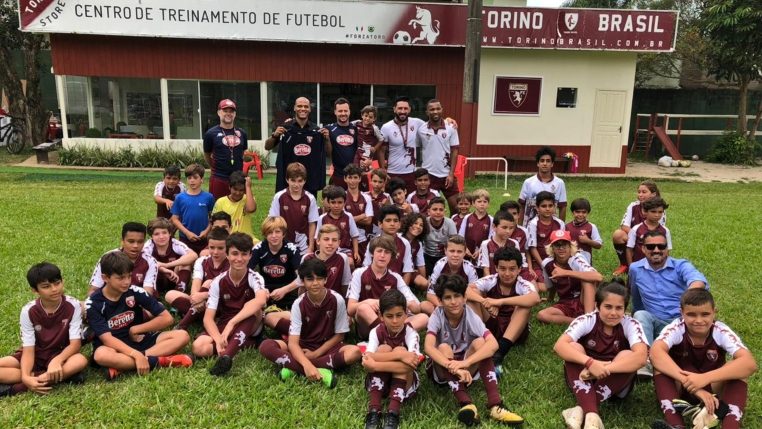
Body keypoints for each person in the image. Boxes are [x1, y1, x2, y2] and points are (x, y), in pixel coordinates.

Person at [424, 274, 525, 426]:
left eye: (457, 296)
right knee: (443, 347)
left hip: (465, 367)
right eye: (447, 297)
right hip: (442, 370)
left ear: (465, 297)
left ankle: (495, 405)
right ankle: (465, 403)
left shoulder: (470, 315)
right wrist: (452, 366)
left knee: (480, 343)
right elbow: (428, 347)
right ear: (440, 301)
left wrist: (465, 363)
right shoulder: (437, 316)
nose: (453, 302)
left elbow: (493, 344)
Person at [650, 289, 756, 429]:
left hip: (712, 390)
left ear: (714, 312)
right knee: (660, 366)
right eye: (691, 314)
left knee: (739, 371)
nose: (699, 320)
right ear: (682, 313)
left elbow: (750, 364)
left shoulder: (720, 331)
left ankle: (730, 426)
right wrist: (694, 387)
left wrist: (705, 378)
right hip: (680, 389)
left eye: (705, 314)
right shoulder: (676, 328)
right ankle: (676, 425)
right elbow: (655, 353)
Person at [553, 281, 648, 429]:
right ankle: (592, 416)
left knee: (628, 354)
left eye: (619, 308)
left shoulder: (631, 324)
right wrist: (591, 363)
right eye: (608, 307)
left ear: (625, 309)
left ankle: (580, 408)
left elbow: (641, 357)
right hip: (584, 378)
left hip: (615, 383)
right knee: (572, 347)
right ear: (598, 306)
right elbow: (559, 346)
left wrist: (605, 367)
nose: (613, 313)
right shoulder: (587, 319)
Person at [86, 252, 193, 381]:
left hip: (139, 339)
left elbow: (167, 318)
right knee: (100, 356)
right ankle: (162, 361)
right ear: (105, 278)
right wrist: (135, 354)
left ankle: (124, 365)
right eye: (120, 278)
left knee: (182, 335)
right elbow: (107, 339)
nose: (126, 282)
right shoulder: (93, 303)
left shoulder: (135, 291)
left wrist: (136, 329)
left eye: (129, 276)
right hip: (113, 347)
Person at [259, 258, 362, 388]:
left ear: (325, 279)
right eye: (310, 279)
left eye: (319, 278)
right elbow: (293, 343)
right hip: (304, 344)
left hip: (327, 346)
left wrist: (315, 354)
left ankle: (292, 368)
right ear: (303, 281)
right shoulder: (299, 303)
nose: (315, 283)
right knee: (266, 346)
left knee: (355, 352)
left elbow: (340, 336)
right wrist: (307, 365)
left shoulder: (337, 299)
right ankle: (317, 370)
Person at [0, 263, 87, 397]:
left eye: (57, 283)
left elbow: (75, 344)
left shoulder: (73, 305)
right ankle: (59, 377)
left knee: (80, 360)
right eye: (46, 286)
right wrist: (25, 377)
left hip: (60, 353)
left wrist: (57, 360)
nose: (54, 289)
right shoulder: (28, 311)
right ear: (35, 290)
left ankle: (16, 389)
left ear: (62, 281)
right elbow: (28, 350)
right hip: (35, 354)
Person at [629, 230, 708, 376]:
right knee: (640, 314)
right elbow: (636, 296)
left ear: (667, 248)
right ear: (643, 249)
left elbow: (698, 281)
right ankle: (646, 361)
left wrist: (687, 300)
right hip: (656, 322)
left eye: (661, 246)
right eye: (651, 247)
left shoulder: (681, 265)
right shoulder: (635, 269)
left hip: (682, 322)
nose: (656, 250)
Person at [191, 232, 268, 376]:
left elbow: (261, 300)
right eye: (234, 253)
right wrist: (218, 339)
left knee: (253, 308)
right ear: (227, 255)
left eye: (244, 254)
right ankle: (246, 343)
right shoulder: (218, 282)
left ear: (250, 255)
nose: (239, 259)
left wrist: (231, 324)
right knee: (198, 347)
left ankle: (227, 356)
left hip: (250, 322)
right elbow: (208, 318)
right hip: (225, 324)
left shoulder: (255, 277)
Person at [466, 247, 540, 368]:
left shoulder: (522, 284)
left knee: (524, 306)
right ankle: (480, 339)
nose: (507, 273)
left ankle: (499, 353)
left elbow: (535, 298)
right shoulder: (491, 280)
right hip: (493, 325)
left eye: (512, 269)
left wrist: (499, 302)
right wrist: (485, 302)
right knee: (472, 298)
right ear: (496, 268)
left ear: (519, 269)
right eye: (502, 268)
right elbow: (465, 290)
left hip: (515, 331)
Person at [361, 289, 422, 429]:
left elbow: (411, 365)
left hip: (405, 385)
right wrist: (399, 356)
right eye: (389, 316)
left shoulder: (411, 333)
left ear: (406, 313)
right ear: (381, 316)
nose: (395, 321)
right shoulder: (376, 331)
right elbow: (367, 357)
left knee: (400, 349)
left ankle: (393, 412)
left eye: (399, 315)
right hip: (380, 384)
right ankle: (374, 410)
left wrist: (375, 366)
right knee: (385, 348)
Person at [348, 235, 428, 339]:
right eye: (379, 251)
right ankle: (394, 337)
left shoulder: (395, 277)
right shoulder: (359, 273)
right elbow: (350, 309)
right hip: (369, 324)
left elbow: (416, 308)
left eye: (387, 252)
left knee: (424, 317)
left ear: (392, 256)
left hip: (391, 321)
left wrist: (403, 303)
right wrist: (368, 301)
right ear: (372, 253)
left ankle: (389, 337)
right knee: (363, 308)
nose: (382, 255)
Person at [266, 96, 330, 197]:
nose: (303, 109)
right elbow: (267, 146)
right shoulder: (285, 128)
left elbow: (329, 153)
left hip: (310, 180)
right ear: (295, 108)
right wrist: (275, 135)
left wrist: (327, 139)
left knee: (308, 209)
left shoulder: (316, 130)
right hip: (289, 180)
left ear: (309, 109)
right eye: (300, 106)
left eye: (306, 106)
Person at [250, 216, 301, 338]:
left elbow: (302, 278)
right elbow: (247, 273)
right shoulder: (258, 249)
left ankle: (289, 329)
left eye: (277, 231)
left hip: (288, 291)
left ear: (283, 233)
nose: (274, 236)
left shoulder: (292, 249)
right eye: (269, 232)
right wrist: (260, 289)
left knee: (295, 311)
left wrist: (285, 290)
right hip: (266, 292)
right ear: (264, 234)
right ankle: (259, 332)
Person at [537, 230, 602, 325]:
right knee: (542, 315)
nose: (561, 248)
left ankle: (589, 317)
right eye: (557, 245)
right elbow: (551, 285)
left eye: (565, 245)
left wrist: (566, 272)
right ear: (552, 248)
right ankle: (581, 322)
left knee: (587, 280)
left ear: (570, 246)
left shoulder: (576, 258)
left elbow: (598, 277)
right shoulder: (547, 263)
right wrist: (550, 298)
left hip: (584, 299)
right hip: (566, 302)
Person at [174, 227, 230, 331]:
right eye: (212, 247)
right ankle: (207, 318)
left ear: (227, 247)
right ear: (207, 246)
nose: (215, 252)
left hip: (223, 301)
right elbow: (195, 289)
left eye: (220, 248)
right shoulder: (202, 261)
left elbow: (227, 292)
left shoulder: (231, 264)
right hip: (203, 300)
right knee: (170, 295)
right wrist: (197, 298)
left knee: (209, 283)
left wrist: (203, 295)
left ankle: (183, 324)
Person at [88, 222, 158, 297]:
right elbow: (93, 290)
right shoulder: (108, 258)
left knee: (158, 306)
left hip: (137, 302)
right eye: (131, 241)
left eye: (140, 242)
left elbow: (148, 293)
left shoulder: (150, 261)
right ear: (122, 241)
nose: (135, 246)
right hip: (110, 301)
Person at [612, 180, 665, 275]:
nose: (640, 194)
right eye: (639, 192)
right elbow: (624, 226)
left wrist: (645, 238)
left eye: (644, 192)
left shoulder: (659, 209)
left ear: (653, 194)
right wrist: (637, 234)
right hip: (633, 237)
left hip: (651, 239)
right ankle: (624, 265)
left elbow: (660, 230)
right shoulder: (633, 206)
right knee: (618, 234)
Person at [268, 162, 320, 255]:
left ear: (304, 181)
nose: (296, 184)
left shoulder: (310, 198)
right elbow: (272, 221)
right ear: (287, 180)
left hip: (303, 245)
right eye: (293, 180)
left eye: (300, 181)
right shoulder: (279, 197)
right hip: (283, 244)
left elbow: (312, 224)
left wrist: (311, 246)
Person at [418, 99, 460, 213]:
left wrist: (451, 174)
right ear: (427, 112)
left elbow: (455, 150)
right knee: (428, 209)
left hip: (447, 175)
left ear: (442, 110)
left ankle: (453, 230)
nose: (435, 111)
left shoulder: (451, 127)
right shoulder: (421, 129)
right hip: (429, 175)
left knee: (456, 207)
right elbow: (416, 147)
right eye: (432, 109)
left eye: (437, 109)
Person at [203, 99, 248, 200]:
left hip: (238, 179)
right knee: (218, 209)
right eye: (225, 111)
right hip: (219, 178)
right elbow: (207, 154)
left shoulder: (242, 133)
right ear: (219, 113)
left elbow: (243, 152)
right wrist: (214, 167)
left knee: (239, 209)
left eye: (231, 111)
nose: (228, 114)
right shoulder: (211, 134)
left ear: (235, 114)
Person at [143, 217, 198, 298]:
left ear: (170, 233)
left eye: (164, 233)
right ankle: (154, 294)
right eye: (156, 234)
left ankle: (179, 291)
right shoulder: (148, 246)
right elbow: (143, 261)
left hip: (174, 279)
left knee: (186, 262)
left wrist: (168, 265)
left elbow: (193, 255)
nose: (161, 237)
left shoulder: (175, 244)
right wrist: (164, 269)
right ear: (151, 236)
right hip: (155, 280)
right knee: (146, 266)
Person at [380, 97, 426, 193]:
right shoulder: (386, 127)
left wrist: (448, 120)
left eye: (405, 108)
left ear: (409, 109)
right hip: (393, 172)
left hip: (411, 173)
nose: (402, 111)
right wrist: (383, 170)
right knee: (393, 203)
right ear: (394, 109)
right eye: (400, 108)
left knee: (409, 201)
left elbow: (432, 125)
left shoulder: (417, 123)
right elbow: (381, 150)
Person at [424, 235, 479, 315]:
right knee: (425, 305)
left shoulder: (469, 267)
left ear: (464, 253)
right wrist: (444, 306)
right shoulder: (440, 265)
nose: (455, 255)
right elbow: (430, 294)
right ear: (445, 251)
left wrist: (458, 306)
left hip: (462, 303)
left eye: (459, 251)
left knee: (473, 306)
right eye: (452, 251)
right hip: (443, 302)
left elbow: (475, 292)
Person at [361, 205, 415, 285]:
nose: (392, 224)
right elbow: (366, 268)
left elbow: (407, 271)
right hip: (376, 283)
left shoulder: (405, 243)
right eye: (388, 220)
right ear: (380, 224)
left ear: (399, 224)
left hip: (396, 285)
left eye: (395, 221)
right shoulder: (373, 242)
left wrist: (402, 292)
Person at [170, 163, 216, 255]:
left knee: (203, 261)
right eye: (189, 178)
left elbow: (213, 218)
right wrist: (187, 233)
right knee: (186, 263)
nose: (192, 181)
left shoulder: (209, 197)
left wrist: (206, 231)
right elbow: (175, 219)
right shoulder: (179, 197)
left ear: (202, 179)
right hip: (185, 238)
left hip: (204, 237)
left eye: (195, 178)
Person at [518, 146, 567, 226]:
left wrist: (561, 227)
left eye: (548, 161)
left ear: (552, 164)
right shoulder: (528, 182)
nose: (545, 164)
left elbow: (562, 207)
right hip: (530, 225)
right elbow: (521, 206)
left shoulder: (559, 183)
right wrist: (520, 227)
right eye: (542, 161)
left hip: (551, 227)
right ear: (538, 163)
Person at [300, 224, 353, 297]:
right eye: (326, 239)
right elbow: (302, 286)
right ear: (318, 241)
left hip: (334, 304)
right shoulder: (306, 258)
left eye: (334, 240)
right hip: (311, 304)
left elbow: (345, 285)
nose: (330, 243)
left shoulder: (343, 258)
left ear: (339, 243)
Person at [315, 185, 361, 266]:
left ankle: (348, 278)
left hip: (345, 250)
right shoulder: (322, 218)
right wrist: (320, 253)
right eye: (333, 202)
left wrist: (356, 252)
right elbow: (317, 238)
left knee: (350, 263)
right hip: (327, 249)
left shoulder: (348, 216)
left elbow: (355, 236)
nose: (336, 205)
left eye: (340, 202)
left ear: (345, 202)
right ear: (328, 202)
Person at [526, 191, 565, 284]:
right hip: (538, 262)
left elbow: (563, 245)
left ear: (555, 207)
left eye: (550, 206)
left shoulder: (560, 223)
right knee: (545, 285)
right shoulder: (533, 224)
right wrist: (544, 265)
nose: (547, 209)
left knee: (563, 280)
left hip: (556, 260)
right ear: (537, 208)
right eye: (544, 206)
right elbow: (532, 248)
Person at [626, 197, 672, 267]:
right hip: (639, 267)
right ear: (645, 212)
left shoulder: (665, 231)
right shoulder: (636, 229)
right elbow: (629, 249)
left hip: (658, 267)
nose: (657, 215)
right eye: (653, 211)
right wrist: (631, 268)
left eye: (660, 212)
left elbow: (667, 251)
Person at [476, 211, 524, 277]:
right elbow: (486, 269)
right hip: (492, 282)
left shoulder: (515, 243)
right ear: (494, 227)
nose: (508, 231)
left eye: (511, 228)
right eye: (504, 227)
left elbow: (518, 266)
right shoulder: (486, 244)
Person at [212, 171, 257, 239]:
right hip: (228, 239)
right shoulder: (221, 202)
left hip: (246, 239)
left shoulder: (247, 199)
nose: (237, 193)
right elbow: (214, 223)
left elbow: (251, 209)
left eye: (241, 190)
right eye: (235, 189)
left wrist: (248, 187)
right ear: (229, 187)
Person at [325, 97, 358, 189]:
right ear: (335, 112)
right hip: (338, 175)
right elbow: (311, 129)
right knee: (338, 202)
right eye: (340, 111)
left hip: (355, 175)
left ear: (349, 111)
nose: (343, 113)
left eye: (345, 111)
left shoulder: (356, 129)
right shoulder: (329, 129)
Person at [343, 164, 374, 258]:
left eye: (355, 177)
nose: (352, 181)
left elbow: (368, 221)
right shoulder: (342, 197)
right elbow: (343, 220)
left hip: (363, 240)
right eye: (350, 177)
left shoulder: (366, 198)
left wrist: (350, 218)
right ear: (345, 179)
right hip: (346, 241)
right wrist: (361, 216)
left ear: (360, 179)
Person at [423, 197, 458, 276]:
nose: (438, 212)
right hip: (427, 256)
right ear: (428, 211)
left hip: (444, 256)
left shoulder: (450, 223)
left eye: (441, 210)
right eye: (435, 209)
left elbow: (454, 242)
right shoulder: (425, 222)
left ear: (444, 212)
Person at [354, 105, 386, 188]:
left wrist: (375, 148)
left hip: (367, 152)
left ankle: (364, 188)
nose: (367, 118)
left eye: (370, 117)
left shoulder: (374, 128)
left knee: (364, 170)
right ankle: (355, 186)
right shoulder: (356, 123)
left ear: (374, 119)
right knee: (355, 170)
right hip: (357, 151)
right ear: (362, 115)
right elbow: (347, 126)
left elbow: (381, 139)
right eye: (366, 116)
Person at [458, 189, 493, 262]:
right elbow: (461, 235)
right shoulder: (467, 217)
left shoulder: (491, 219)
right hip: (467, 252)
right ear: (473, 203)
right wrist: (464, 248)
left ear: (488, 204)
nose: (482, 204)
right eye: (479, 201)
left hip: (482, 254)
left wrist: (481, 250)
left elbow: (491, 238)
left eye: (485, 202)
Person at [565, 198, 602, 264]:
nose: (580, 215)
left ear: (588, 212)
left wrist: (588, 241)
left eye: (584, 212)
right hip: (569, 260)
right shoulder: (566, 226)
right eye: (577, 212)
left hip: (585, 261)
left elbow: (599, 245)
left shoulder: (591, 226)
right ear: (573, 212)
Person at [400, 212, 429, 291]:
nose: (418, 226)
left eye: (421, 225)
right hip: (396, 270)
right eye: (415, 223)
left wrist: (424, 280)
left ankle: (413, 287)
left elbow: (421, 265)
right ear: (408, 224)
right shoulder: (398, 237)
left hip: (410, 271)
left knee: (425, 284)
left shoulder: (418, 243)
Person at [365, 168, 392, 238]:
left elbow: (391, 214)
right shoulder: (365, 195)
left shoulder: (387, 197)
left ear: (384, 183)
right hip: (366, 229)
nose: (377, 184)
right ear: (371, 181)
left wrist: (387, 206)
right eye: (375, 181)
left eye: (380, 182)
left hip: (381, 231)